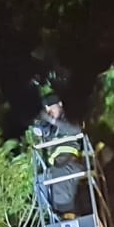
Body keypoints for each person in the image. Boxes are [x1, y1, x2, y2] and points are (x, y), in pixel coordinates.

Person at [31, 88, 87, 219]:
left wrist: (53, 121)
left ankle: (71, 213)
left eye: (52, 109)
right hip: (55, 167)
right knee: (40, 182)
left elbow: (76, 129)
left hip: (70, 163)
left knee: (63, 188)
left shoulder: (70, 119)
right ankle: (55, 215)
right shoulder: (50, 129)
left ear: (60, 105)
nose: (50, 113)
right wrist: (42, 129)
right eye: (47, 111)